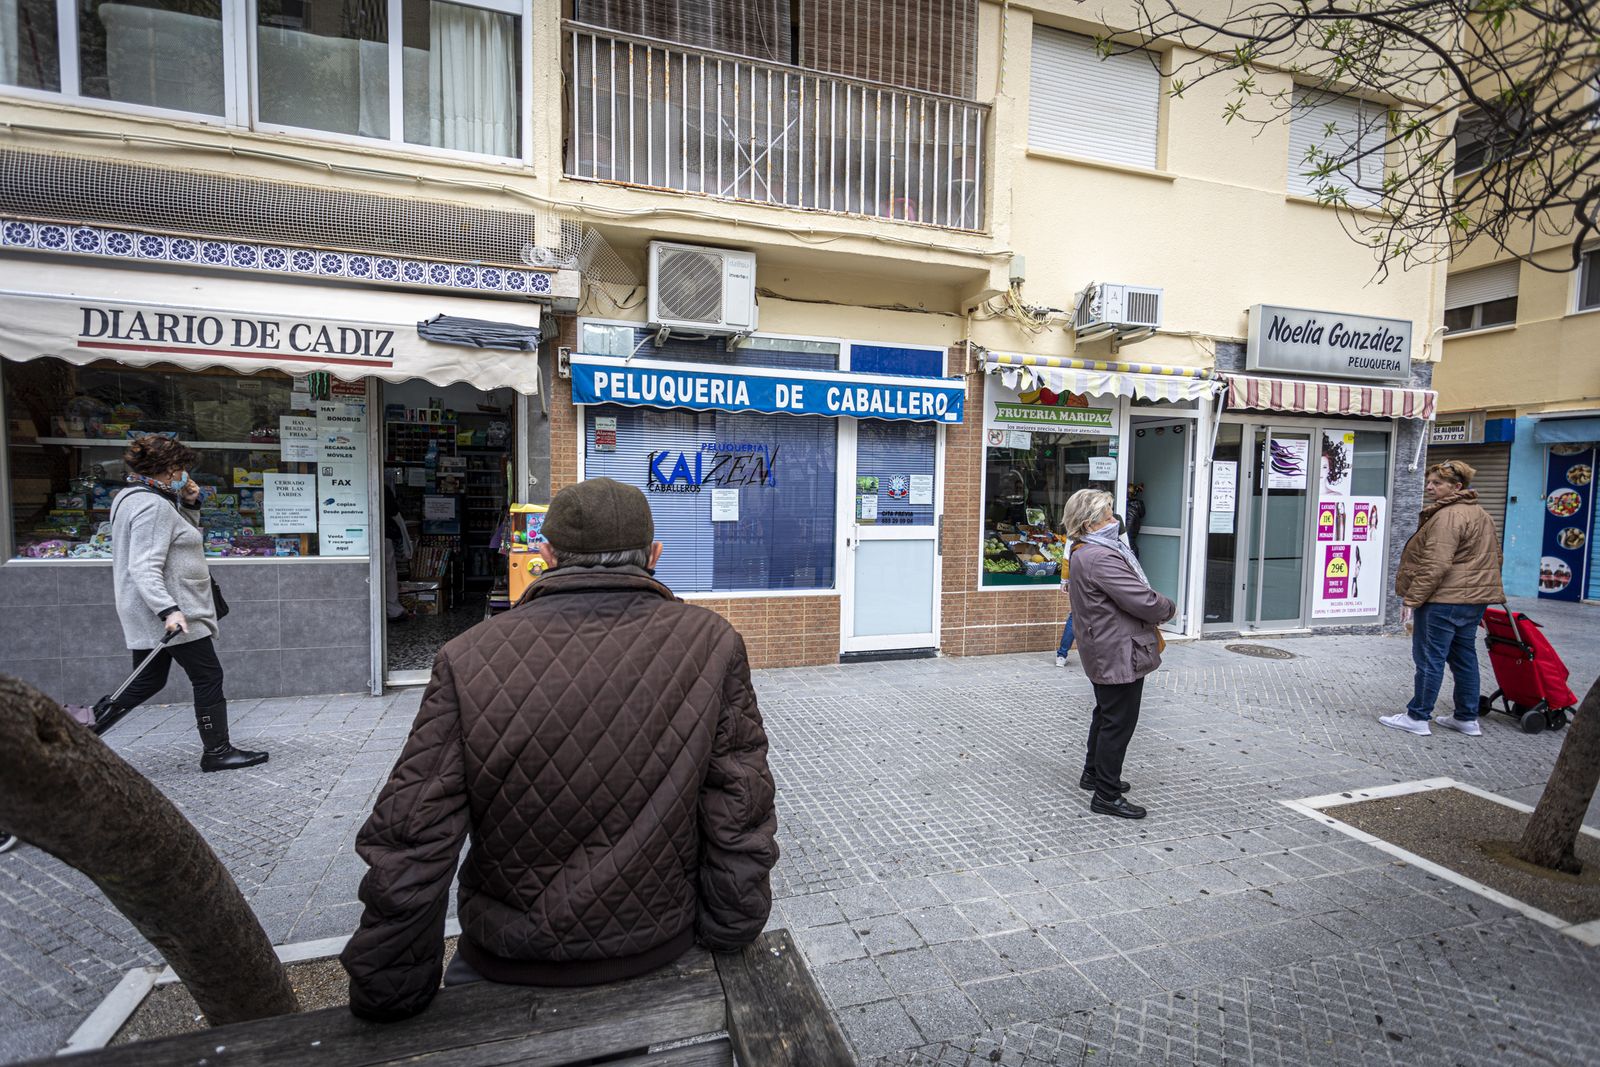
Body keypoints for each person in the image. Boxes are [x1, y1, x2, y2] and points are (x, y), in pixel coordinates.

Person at [340, 477, 779, 1021]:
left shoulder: (467, 656)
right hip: (656, 944)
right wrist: (731, 928)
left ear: (545, 555)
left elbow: (413, 833)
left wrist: (391, 990)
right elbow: (739, 802)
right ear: (655, 555)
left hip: (507, 956)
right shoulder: (713, 643)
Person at [106, 434, 267, 772]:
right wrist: (169, 610)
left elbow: (179, 543)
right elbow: (145, 565)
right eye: (180, 468)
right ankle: (217, 751)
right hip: (171, 611)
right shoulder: (151, 505)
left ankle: (79, 732)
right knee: (208, 675)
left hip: (153, 608)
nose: (184, 474)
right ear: (167, 469)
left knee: (146, 681)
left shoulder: (132, 497)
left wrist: (190, 505)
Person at [1062, 489, 1174, 819]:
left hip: (1104, 644)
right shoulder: (1101, 557)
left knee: (1106, 713)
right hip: (1117, 649)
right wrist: (1168, 607)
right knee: (1118, 722)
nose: (1115, 521)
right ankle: (1106, 796)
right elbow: (1141, 600)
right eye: (1107, 516)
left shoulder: (1085, 551)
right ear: (1089, 523)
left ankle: (1094, 774)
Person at [1381, 459, 1505, 737]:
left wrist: (1413, 598)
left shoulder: (1448, 516)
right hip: (1472, 601)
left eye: (1437, 483)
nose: (1429, 487)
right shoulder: (1482, 514)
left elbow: (1435, 564)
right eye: (1429, 481)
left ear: (1457, 486)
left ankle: (1417, 716)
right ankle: (1466, 717)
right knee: (1464, 657)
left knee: (1429, 658)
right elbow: (1496, 557)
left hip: (1443, 600)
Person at [381, 483, 413, 624]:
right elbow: (394, 512)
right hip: (383, 535)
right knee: (388, 573)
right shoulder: (382, 487)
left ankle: (389, 609)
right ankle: (392, 610)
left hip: (355, 538)